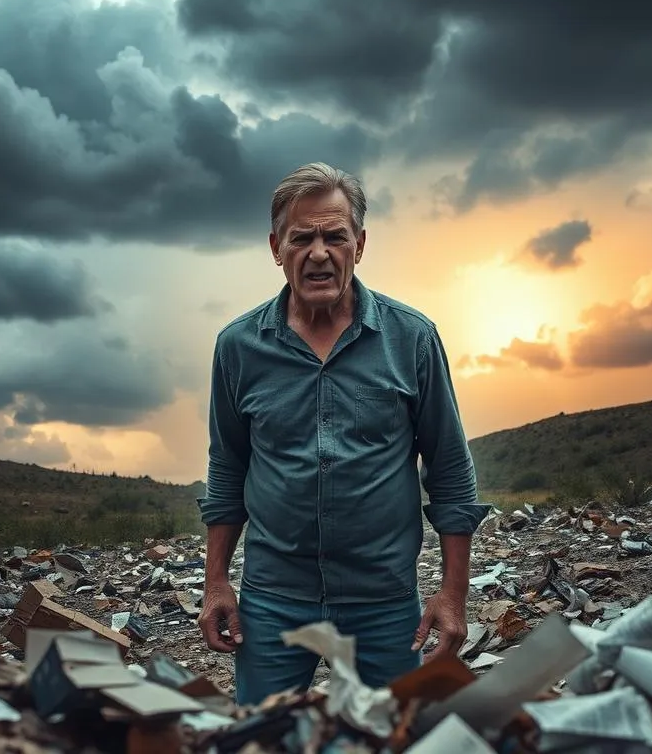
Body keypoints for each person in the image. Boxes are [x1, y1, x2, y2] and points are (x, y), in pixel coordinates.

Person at [195, 162, 491, 705]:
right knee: (268, 738)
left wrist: (453, 595)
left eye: (334, 236)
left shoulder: (412, 339)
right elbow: (227, 468)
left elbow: (449, 470)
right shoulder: (238, 347)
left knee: (390, 735)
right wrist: (216, 582)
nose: (318, 252)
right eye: (301, 237)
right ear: (275, 247)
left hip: (383, 599)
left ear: (359, 243)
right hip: (273, 598)